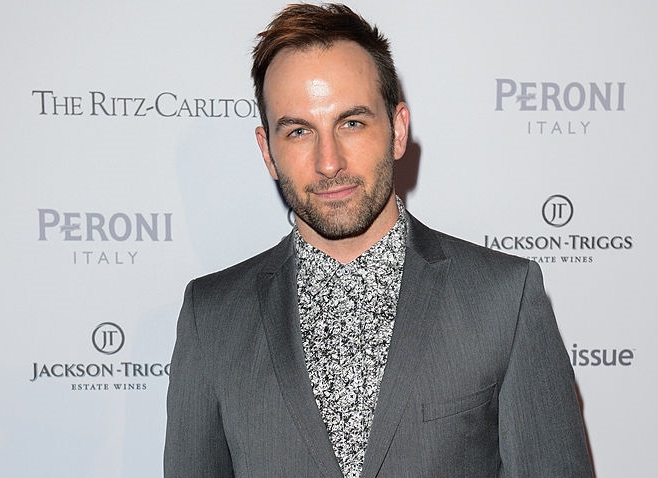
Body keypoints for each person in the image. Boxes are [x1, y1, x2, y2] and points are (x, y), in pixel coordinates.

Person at [164, 3, 593, 477]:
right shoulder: (213, 317)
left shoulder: (503, 298)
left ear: (397, 129)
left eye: (352, 123)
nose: (329, 162)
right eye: (300, 130)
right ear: (268, 151)